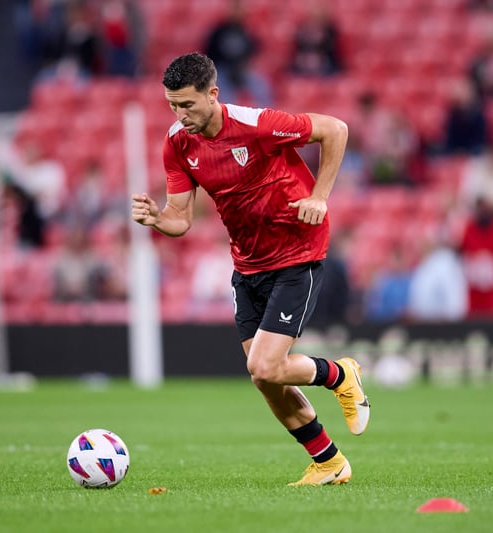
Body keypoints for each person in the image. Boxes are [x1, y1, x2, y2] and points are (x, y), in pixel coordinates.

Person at [131, 52, 369, 486]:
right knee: (266, 379)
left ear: (213, 94)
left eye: (188, 105)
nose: (180, 115)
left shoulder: (255, 124)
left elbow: (335, 129)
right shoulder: (178, 143)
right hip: (247, 263)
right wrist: (157, 219)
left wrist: (319, 196)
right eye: (172, 106)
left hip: (297, 253)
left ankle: (340, 374)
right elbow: (180, 219)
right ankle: (329, 462)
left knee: (263, 366)